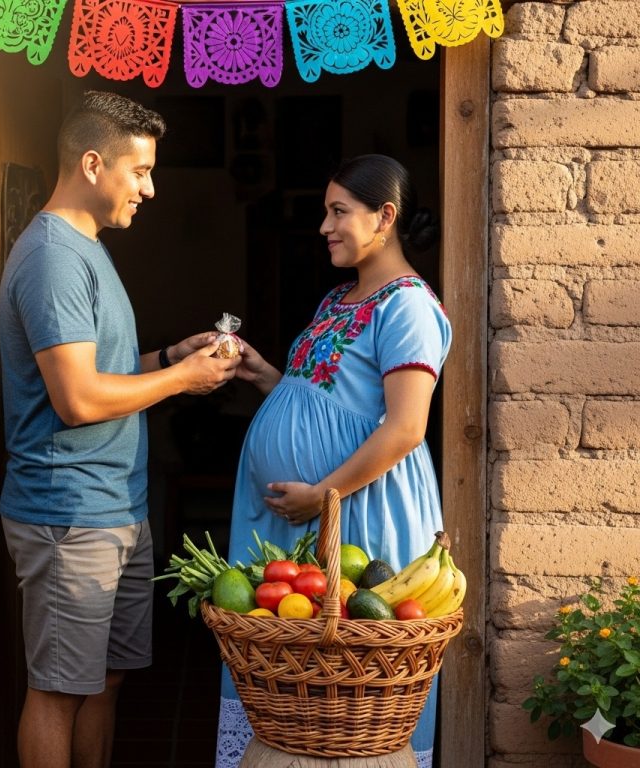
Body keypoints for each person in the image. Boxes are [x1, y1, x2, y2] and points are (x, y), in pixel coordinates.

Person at [0, 90, 240, 768]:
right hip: (68, 515)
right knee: (57, 691)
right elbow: (76, 399)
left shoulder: (88, 249)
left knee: (105, 681)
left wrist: (169, 358)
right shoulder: (53, 259)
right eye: (141, 172)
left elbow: (100, 370)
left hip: (114, 510)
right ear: (94, 163)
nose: (151, 188)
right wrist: (182, 382)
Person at [216, 154, 452, 768]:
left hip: (357, 511)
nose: (324, 225)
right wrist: (267, 375)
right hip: (306, 513)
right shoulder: (337, 299)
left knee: (349, 688)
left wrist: (324, 495)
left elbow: (404, 429)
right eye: (327, 211)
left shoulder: (408, 308)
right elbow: (322, 400)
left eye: (338, 212)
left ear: (386, 217)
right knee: (291, 696)